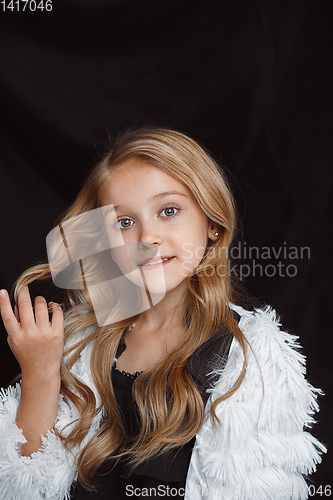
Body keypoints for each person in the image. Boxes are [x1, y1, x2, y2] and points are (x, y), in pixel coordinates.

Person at [0, 127, 327, 500]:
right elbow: (21, 487)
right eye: (124, 222)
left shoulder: (248, 358)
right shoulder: (84, 342)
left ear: (213, 225)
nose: (147, 237)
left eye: (168, 211)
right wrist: (40, 372)